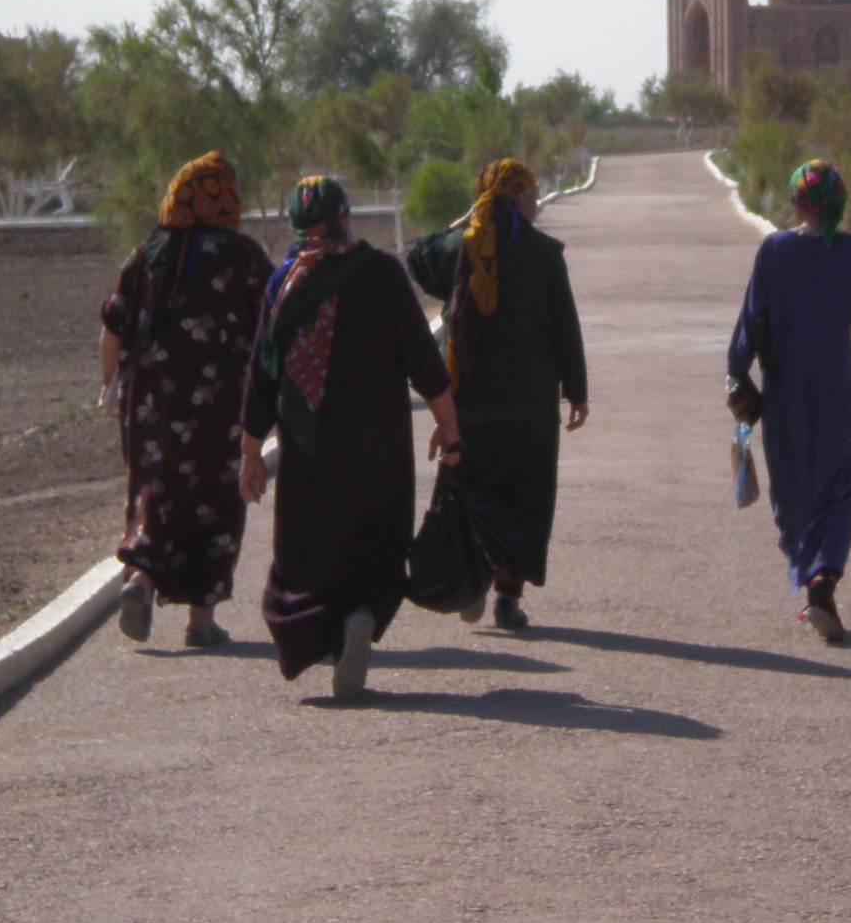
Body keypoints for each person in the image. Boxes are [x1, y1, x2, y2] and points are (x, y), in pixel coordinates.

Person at [240, 176, 458, 701]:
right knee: (376, 541)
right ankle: (362, 612)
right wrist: (448, 423)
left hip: (307, 447)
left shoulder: (284, 282)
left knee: (305, 552)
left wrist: (249, 452)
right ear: (345, 216)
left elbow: (263, 371)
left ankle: (330, 633)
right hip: (378, 443)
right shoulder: (381, 272)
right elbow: (421, 355)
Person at [726, 159, 851, 644]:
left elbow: (751, 318)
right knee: (840, 485)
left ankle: (812, 574)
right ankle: (822, 577)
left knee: (792, 485)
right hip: (837, 387)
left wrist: (735, 373)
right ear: (838, 205)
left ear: (796, 202)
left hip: (786, 387)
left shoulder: (775, 250)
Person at [100, 151, 273, 648]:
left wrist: (109, 386)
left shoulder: (146, 253)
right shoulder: (244, 257)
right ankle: (200, 622)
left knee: (155, 491)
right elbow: (274, 325)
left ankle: (142, 579)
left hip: (150, 404)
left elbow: (112, 326)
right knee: (216, 501)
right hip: (223, 407)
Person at [406, 158, 588, 631]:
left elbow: (417, 259)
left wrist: (461, 222)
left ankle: (474, 578)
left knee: (474, 495)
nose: (535, 202)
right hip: (530, 407)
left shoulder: (459, 248)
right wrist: (577, 391)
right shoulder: (544, 254)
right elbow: (565, 326)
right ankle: (507, 597)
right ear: (519, 198)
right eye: (531, 194)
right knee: (525, 503)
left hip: (470, 405)